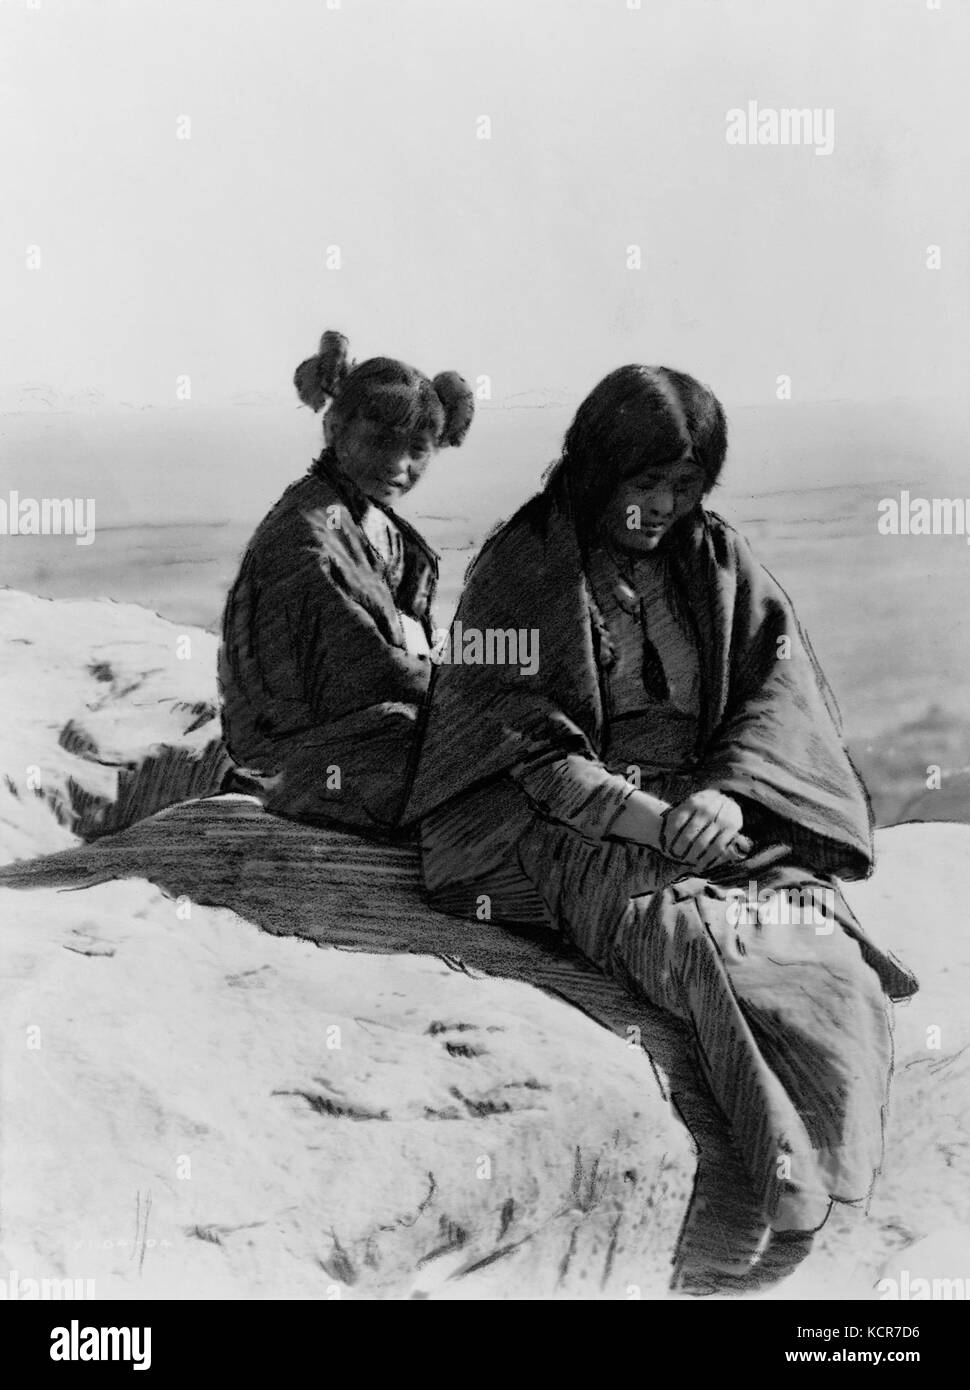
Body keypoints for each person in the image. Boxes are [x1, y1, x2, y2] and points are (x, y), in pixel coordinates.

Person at [405, 364, 917, 1272]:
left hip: (713, 810)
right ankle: (784, 1182)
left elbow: (773, 691)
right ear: (599, 471)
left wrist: (729, 794)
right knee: (707, 949)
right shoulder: (524, 569)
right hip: (571, 825)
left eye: (686, 487)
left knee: (822, 957)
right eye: (646, 484)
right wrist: (652, 821)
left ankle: (832, 1174)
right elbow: (526, 750)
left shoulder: (714, 558)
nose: (665, 507)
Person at [219, 330, 474, 834]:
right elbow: (359, 667)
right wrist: (465, 692)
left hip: (367, 722)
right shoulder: (306, 533)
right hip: (300, 746)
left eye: (418, 451)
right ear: (335, 428)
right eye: (381, 442)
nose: (400, 466)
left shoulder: (387, 533)